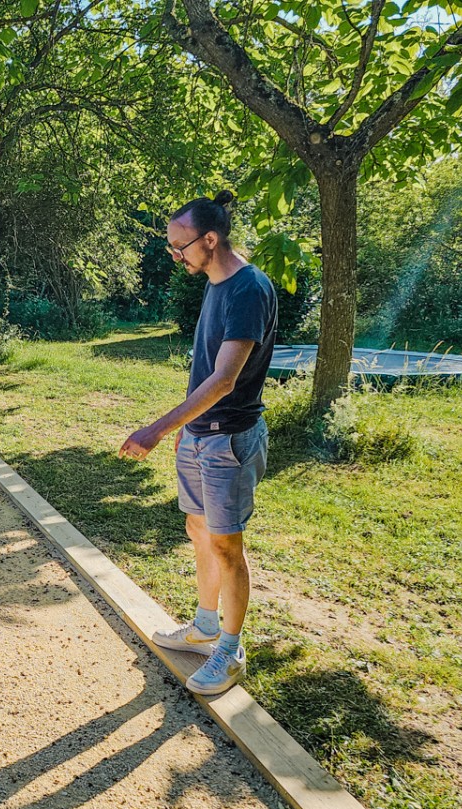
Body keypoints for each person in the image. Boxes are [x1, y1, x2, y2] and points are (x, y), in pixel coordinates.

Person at [118, 190, 277, 695]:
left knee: (228, 546)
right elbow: (206, 370)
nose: (174, 255)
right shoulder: (215, 282)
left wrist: (156, 429)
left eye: (179, 246)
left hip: (229, 440)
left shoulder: (249, 289)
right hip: (200, 435)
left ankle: (230, 651)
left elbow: (225, 380)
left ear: (210, 239)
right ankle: (205, 627)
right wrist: (187, 429)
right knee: (198, 529)